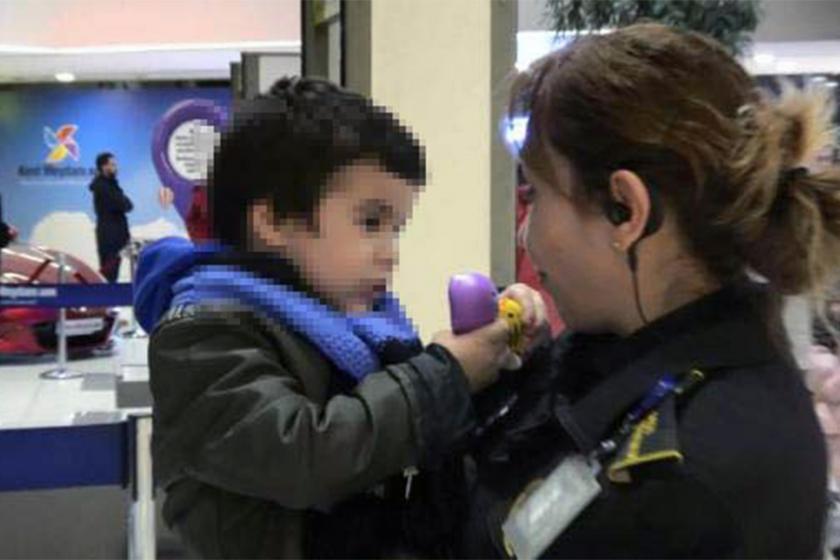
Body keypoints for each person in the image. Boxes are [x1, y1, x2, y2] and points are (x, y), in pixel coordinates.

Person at [452, 23, 838, 558]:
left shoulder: (685, 485)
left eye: (534, 196)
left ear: (625, 211)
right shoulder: (626, 355)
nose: (526, 232)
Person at [133, 77, 547, 558]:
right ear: (272, 222)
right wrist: (446, 373)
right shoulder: (201, 337)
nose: (390, 253)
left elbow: (416, 441)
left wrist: (498, 357)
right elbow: (306, 455)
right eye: (371, 222)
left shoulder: (354, 320)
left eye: (397, 228)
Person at [89, 152, 133, 282]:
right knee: (109, 276)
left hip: (117, 235)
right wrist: (123, 203)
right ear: (104, 167)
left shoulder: (112, 185)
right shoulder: (103, 186)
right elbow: (124, 204)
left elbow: (129, 205)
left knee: (112, 275)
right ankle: (105, 301)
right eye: (112, 165)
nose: (116, 167)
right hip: (110, 236)